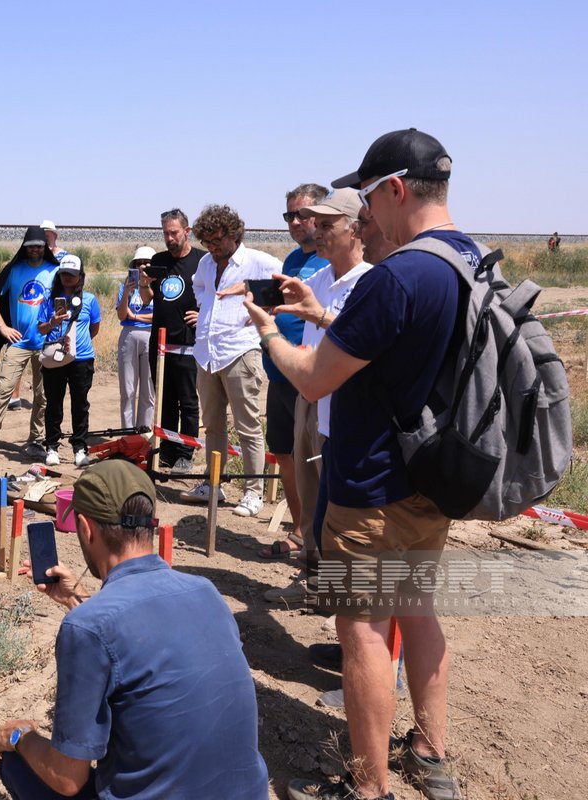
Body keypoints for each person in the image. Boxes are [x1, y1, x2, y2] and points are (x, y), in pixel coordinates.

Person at [247, 128, 467, 800]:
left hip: (372, 485)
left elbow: (314, 379)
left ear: (397, 189)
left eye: (369, 199)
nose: (364, 215)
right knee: (418, 610)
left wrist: (267, 333)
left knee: (365, 632)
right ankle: (429, 752)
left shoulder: (397, 275)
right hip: (434, 476)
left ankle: (367, 786)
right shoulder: (465, 259)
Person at [0, 460, 267, 799]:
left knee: (15, 760)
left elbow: (67, 779)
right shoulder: (205, 590)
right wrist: (79, 602)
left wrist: (21, 737)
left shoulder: (88, 627)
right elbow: (143, 635)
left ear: (85, 528)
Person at [262, 189, 373, 604]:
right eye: (315, 224)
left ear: (355, 229)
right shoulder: (319, 278)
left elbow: (360, 342)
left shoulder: (367, 282)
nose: (316, 233)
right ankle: (313, 579)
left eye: (327, 225)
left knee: (338, 513)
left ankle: (336, 595)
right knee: (311, 500)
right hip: (309, 399)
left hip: (341, 408)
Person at [189, 204, 281, 516]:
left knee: (248, 427)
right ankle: (213, 484)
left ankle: (253, 491)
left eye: (216, 241)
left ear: (233, 235)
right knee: (213, 425)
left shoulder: (257, 261)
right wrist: (205, 308)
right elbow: (198, 286)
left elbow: (284, 285)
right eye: (207, 242)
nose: (212, 248)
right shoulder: (204, 262)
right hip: (207, 354)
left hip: (240, 351)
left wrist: (263, 311)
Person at [260, 184, 330, 559]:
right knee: (286, 455)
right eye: (290, 215)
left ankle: (321, 546)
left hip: (313, 378)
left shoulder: (332, 261)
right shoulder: (289, 261)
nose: (296, 222)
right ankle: (302, 532)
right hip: (279, 373)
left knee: (316, 463)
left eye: (303, 214)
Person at [0, 226, 61, 460]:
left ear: (45, 248)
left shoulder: (54, 271)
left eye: (39, 246)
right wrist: (3, 328)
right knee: (4, 390)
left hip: (46, 343)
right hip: (19, 343)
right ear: (24, 248)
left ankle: (35, 441)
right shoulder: (14, 271)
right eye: (30, 246)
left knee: (42, 395)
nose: (35, 249)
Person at [148, 209, 206, 475]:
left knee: (188, 401)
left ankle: (186, 453)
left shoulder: (202, 261)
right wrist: (142, 283)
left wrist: (204, 314)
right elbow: (148, 298)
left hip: (188, 344)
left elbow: (218, 293)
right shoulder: (158, 261)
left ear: (187, 231)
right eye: (165, 233)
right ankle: (169, 451)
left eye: (174, 233)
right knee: (165, 401)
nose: (170, 238)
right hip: (159, 345)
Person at [36, 255, 101, 467]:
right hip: (55, 358)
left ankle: (79, 448)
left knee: (80, 404)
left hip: (81, 359)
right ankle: (52, 446)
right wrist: (53, 322)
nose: (67, 278)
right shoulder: (48, 300)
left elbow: (94, 328)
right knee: (53, 403)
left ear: (80, 277)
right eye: (64, 274)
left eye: (72, 275)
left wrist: (76, 345)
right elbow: (41, 328)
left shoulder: (89, 299)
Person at [115, 246, 155, 429]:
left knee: (148, 390)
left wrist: (136, 316)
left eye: (147, 262)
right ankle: (128, 431)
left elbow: (159, 316)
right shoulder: (126, 287)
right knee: (128, 389)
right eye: (139, 263)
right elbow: (122, 316)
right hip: (129, 335)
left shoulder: (159, 286)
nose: (143, 266)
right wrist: (126, 293)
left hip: (151, 335)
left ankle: (144, 431)